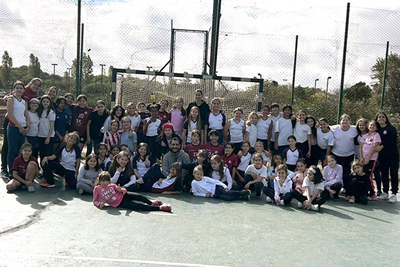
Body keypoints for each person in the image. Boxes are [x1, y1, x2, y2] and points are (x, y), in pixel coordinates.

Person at [93, 171, 171, 212]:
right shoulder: (97, 189)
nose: (105, 183)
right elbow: (95, 200)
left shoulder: (112, 185)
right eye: (103, 181)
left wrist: (121, 190)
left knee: (140, 197)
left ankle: (151, 203)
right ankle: (160, 208)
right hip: (119, 203)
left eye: (106, 181)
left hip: (124, 195)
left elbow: (122, 190)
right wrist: (99, 204)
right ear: (99, 181)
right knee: (138, 206)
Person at [331, 114, 358, 196]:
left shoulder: (354, 129)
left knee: (346, 173)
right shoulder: (334, 128)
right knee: (335, 172)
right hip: (336, 153)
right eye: (343, 120)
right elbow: (324, 126)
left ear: (350, 122)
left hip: (349, 154)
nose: (345, 122)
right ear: (340, 122)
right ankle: (333, 189)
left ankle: (347, 189)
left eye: (347, 120)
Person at [6, 81, 29, 176]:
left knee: (20, 150)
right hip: (14, 128)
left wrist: (27, 127)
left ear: (23, 90)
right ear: (14, 89)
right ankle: (11, 172)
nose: (19, 90)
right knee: (12, 150)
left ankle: (19, 171)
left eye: (21, 88)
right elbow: (11, 115)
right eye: (17, 88)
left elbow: (26, 115)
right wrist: (19, 127)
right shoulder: (11, 99)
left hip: (23, 129)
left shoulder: (24, 101)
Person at [375, 111, 398, 203]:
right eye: (379, 117)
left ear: (386, 119)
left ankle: (394, 193)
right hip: (382, 157)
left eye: (382, 117)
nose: (381, 118)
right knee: (384, 174)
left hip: (393, 156)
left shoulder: (391, 129)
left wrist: (382, 146)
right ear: (377, 119)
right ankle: (385, 192)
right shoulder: (376, 130)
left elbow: (392, 142)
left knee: (393, 174)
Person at [359, 120, 381, 200]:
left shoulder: (376, 135)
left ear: (376, 128)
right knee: (364, 175)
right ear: (368, 126)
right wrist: (361, 157)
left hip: (371, 159)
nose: (372, 127)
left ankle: (372, 194)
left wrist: (368, 158)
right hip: (364, 159)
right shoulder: (365, 136)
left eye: (374, 126)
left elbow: (374, 147)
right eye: (370, 125)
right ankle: (365, 192)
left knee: (369, 176)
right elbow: (361, 146)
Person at [37, 95, 56, 161]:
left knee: (48, 154)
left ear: (50, 103)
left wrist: (48, 137)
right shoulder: (39, 111)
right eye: (44, 101)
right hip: (40, 135)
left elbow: (52, 126)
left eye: (47, 102)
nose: (45, 103)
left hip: (48, 136)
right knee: (42, 154)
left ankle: (48, 170)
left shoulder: (51, 112)